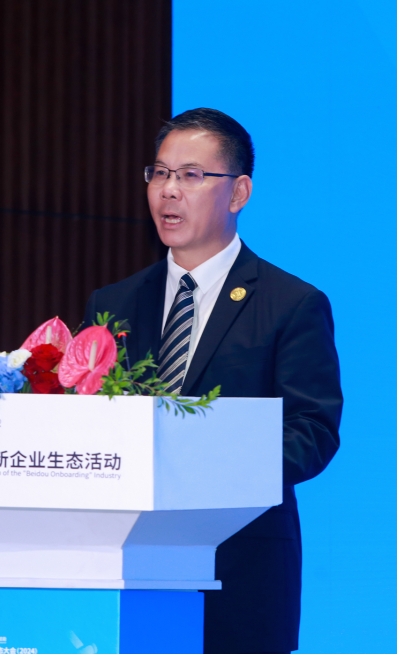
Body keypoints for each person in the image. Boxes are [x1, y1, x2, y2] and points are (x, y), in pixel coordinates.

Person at [81, 108, 343, 654]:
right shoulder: (113, 303)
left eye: (191, 175)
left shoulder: (291, 304)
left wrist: (203, 464)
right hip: (122, 571)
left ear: (238, 192)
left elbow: (311, 432)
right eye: (159, 173)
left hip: (241, 573)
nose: (168, 190)